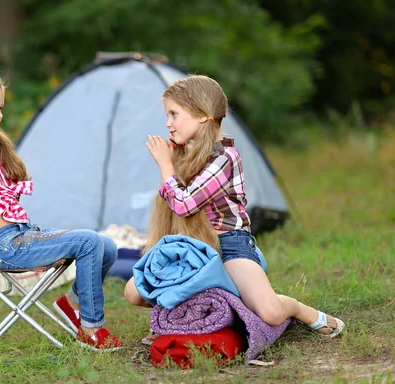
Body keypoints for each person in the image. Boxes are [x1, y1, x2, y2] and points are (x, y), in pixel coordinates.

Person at [124, 74, 344, 342]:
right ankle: (205, 309)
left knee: (271, 312)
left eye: (174, 114)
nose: (167, 123)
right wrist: (172, 162)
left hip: (229, 246)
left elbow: (183, 204)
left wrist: (165, 166)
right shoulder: (186, 154)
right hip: (192, 248)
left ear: (202, 114)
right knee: (134, 291)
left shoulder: (224, 158)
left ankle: (298, 309)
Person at [0, 66, 123, 351]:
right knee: (88, 241)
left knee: (107, 245)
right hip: (5, 248)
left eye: (1, 107)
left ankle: (71, 304)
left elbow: (0, 201)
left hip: (23, 235)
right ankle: (91, 328)